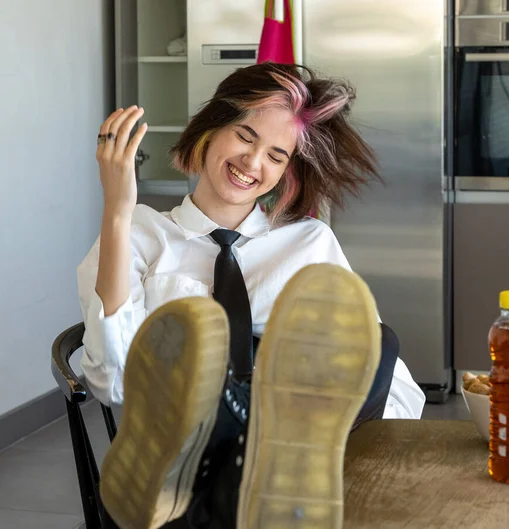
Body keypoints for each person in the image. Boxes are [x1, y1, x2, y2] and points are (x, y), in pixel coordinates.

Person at [77, 62, 425, 529]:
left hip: (286, 464)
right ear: (211, 128)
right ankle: (219, 452)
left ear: (287, 172)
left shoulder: (309, 242)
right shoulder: (139, 234)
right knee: (202, 373)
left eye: (277, 155)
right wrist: (118, 211)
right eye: (245, 136)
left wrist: (341, 447)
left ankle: (266, 452)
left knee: (378, 344)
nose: (253, 163)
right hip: (186, 447)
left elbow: (397, 388)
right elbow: (112, 381)